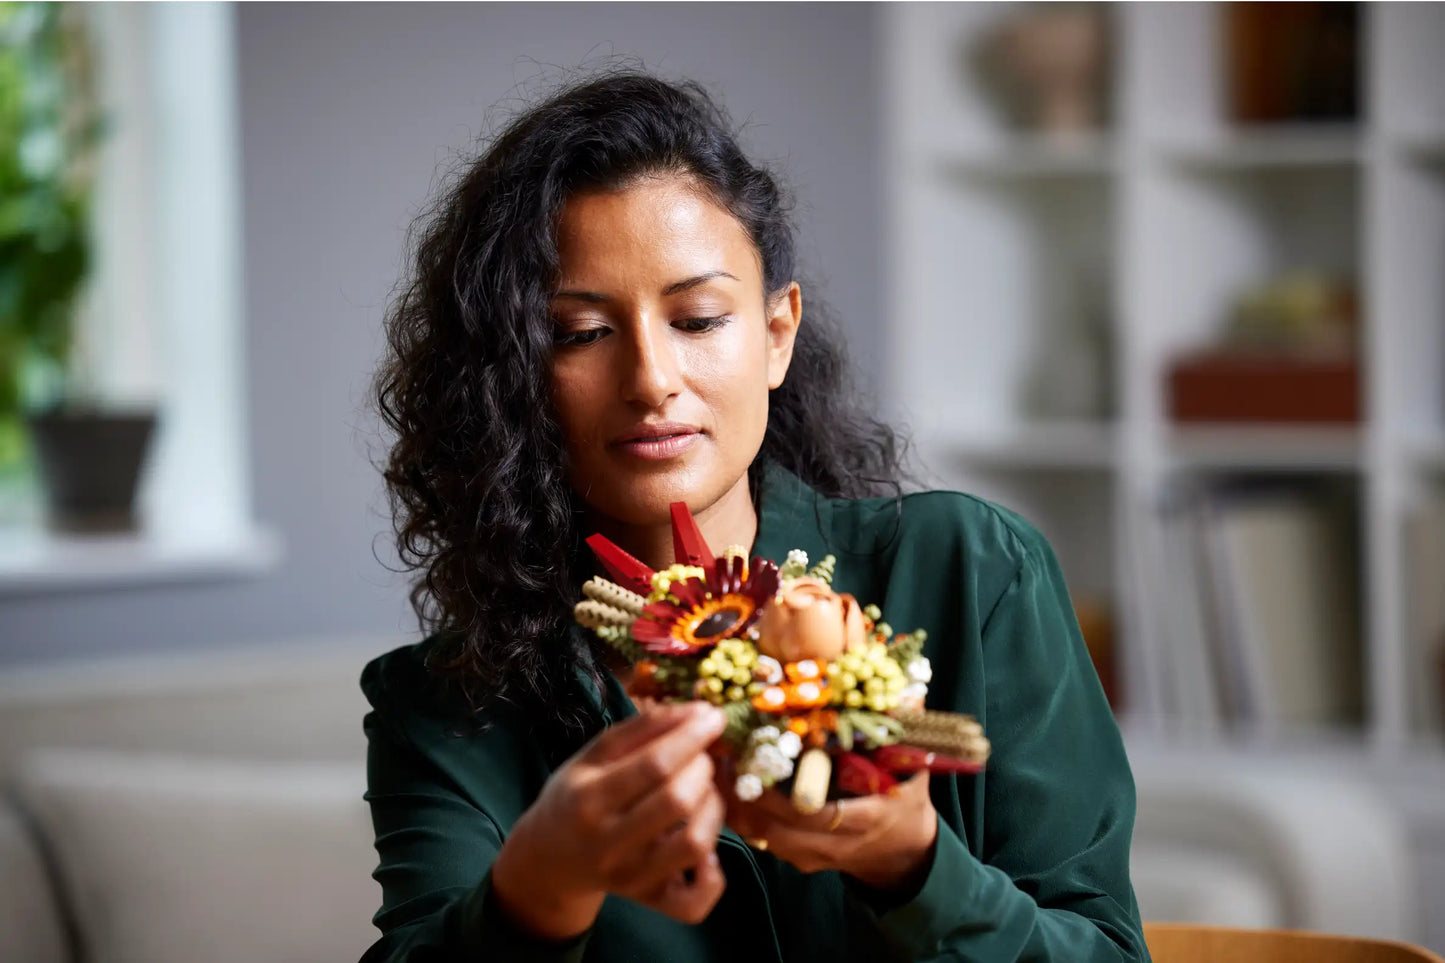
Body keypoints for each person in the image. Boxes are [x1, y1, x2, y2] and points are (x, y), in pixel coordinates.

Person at [363, 69, 1148, 963]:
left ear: (777, 333)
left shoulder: (970, 570)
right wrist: (538, 888)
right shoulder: (444, 706)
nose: (652, 379)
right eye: (580, 333)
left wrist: (915, 865)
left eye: (697, 318)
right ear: (513, 376)